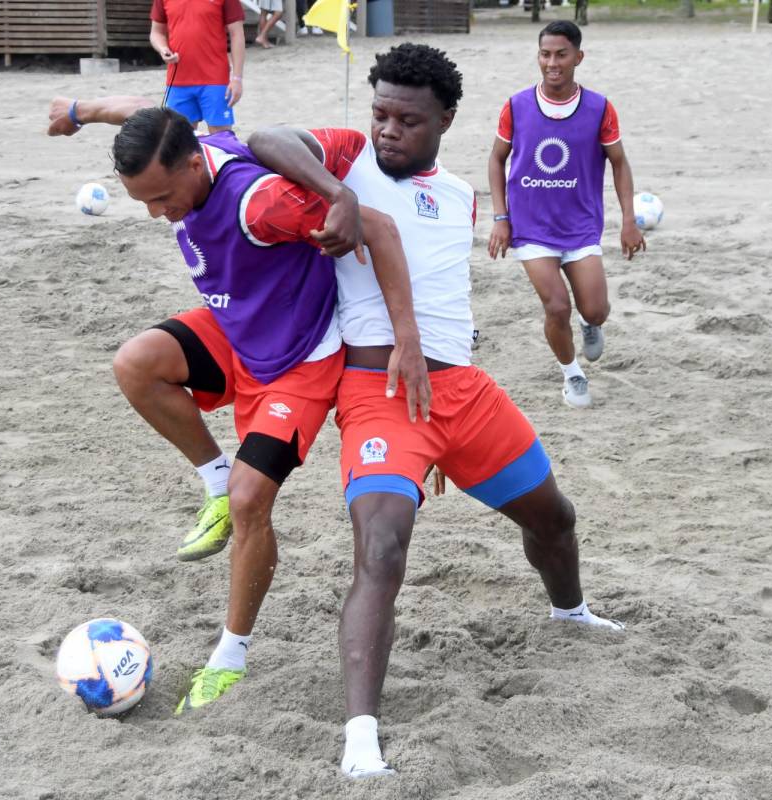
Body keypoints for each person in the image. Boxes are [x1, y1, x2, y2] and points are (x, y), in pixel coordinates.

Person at [247, 42, 624, 779]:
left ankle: (570, 613)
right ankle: (362, 737)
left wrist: (445, 439)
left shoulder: (457, 195)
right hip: (378, 395)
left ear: (446, 119)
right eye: (380, 113)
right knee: (382, 549)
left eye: (407, 119)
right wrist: (340, 192)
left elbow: (448, 297)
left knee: (556, 519)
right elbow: (265, 138)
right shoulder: (346, 165)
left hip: (462, 393)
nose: (388, 129)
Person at [47, 96, 431, 713]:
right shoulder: (179, 140)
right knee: (135, 363)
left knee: (256, 502)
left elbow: (376, 224)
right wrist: (81, 110)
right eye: (142, 200)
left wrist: (406, 338)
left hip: (298, 363)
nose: (155, 214)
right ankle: (214, 480)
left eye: (160, 198)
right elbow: (145, 113)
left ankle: (230, 655)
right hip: (237, 332)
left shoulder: (264, 205)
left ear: (196, 165)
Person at [487, 21, 645, 409]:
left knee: (595, 309)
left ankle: (590, 325)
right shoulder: (516, 105)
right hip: (530, 228)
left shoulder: (599, 108)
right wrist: (500, 218)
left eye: (561, 54)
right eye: (545, 54)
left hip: (580, 227)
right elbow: (496, 159)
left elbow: (619, 163)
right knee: (557, 306)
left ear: (578, 57)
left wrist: (628, 220)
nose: (552, 63)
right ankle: (572, 374)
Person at [149, 0, 246, 134]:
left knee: (221, 139)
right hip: (177, 81)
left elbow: (237, 34)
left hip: (215, 79)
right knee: (180, 140)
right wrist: (163, 49)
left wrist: (237, 78)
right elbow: (156, 32)